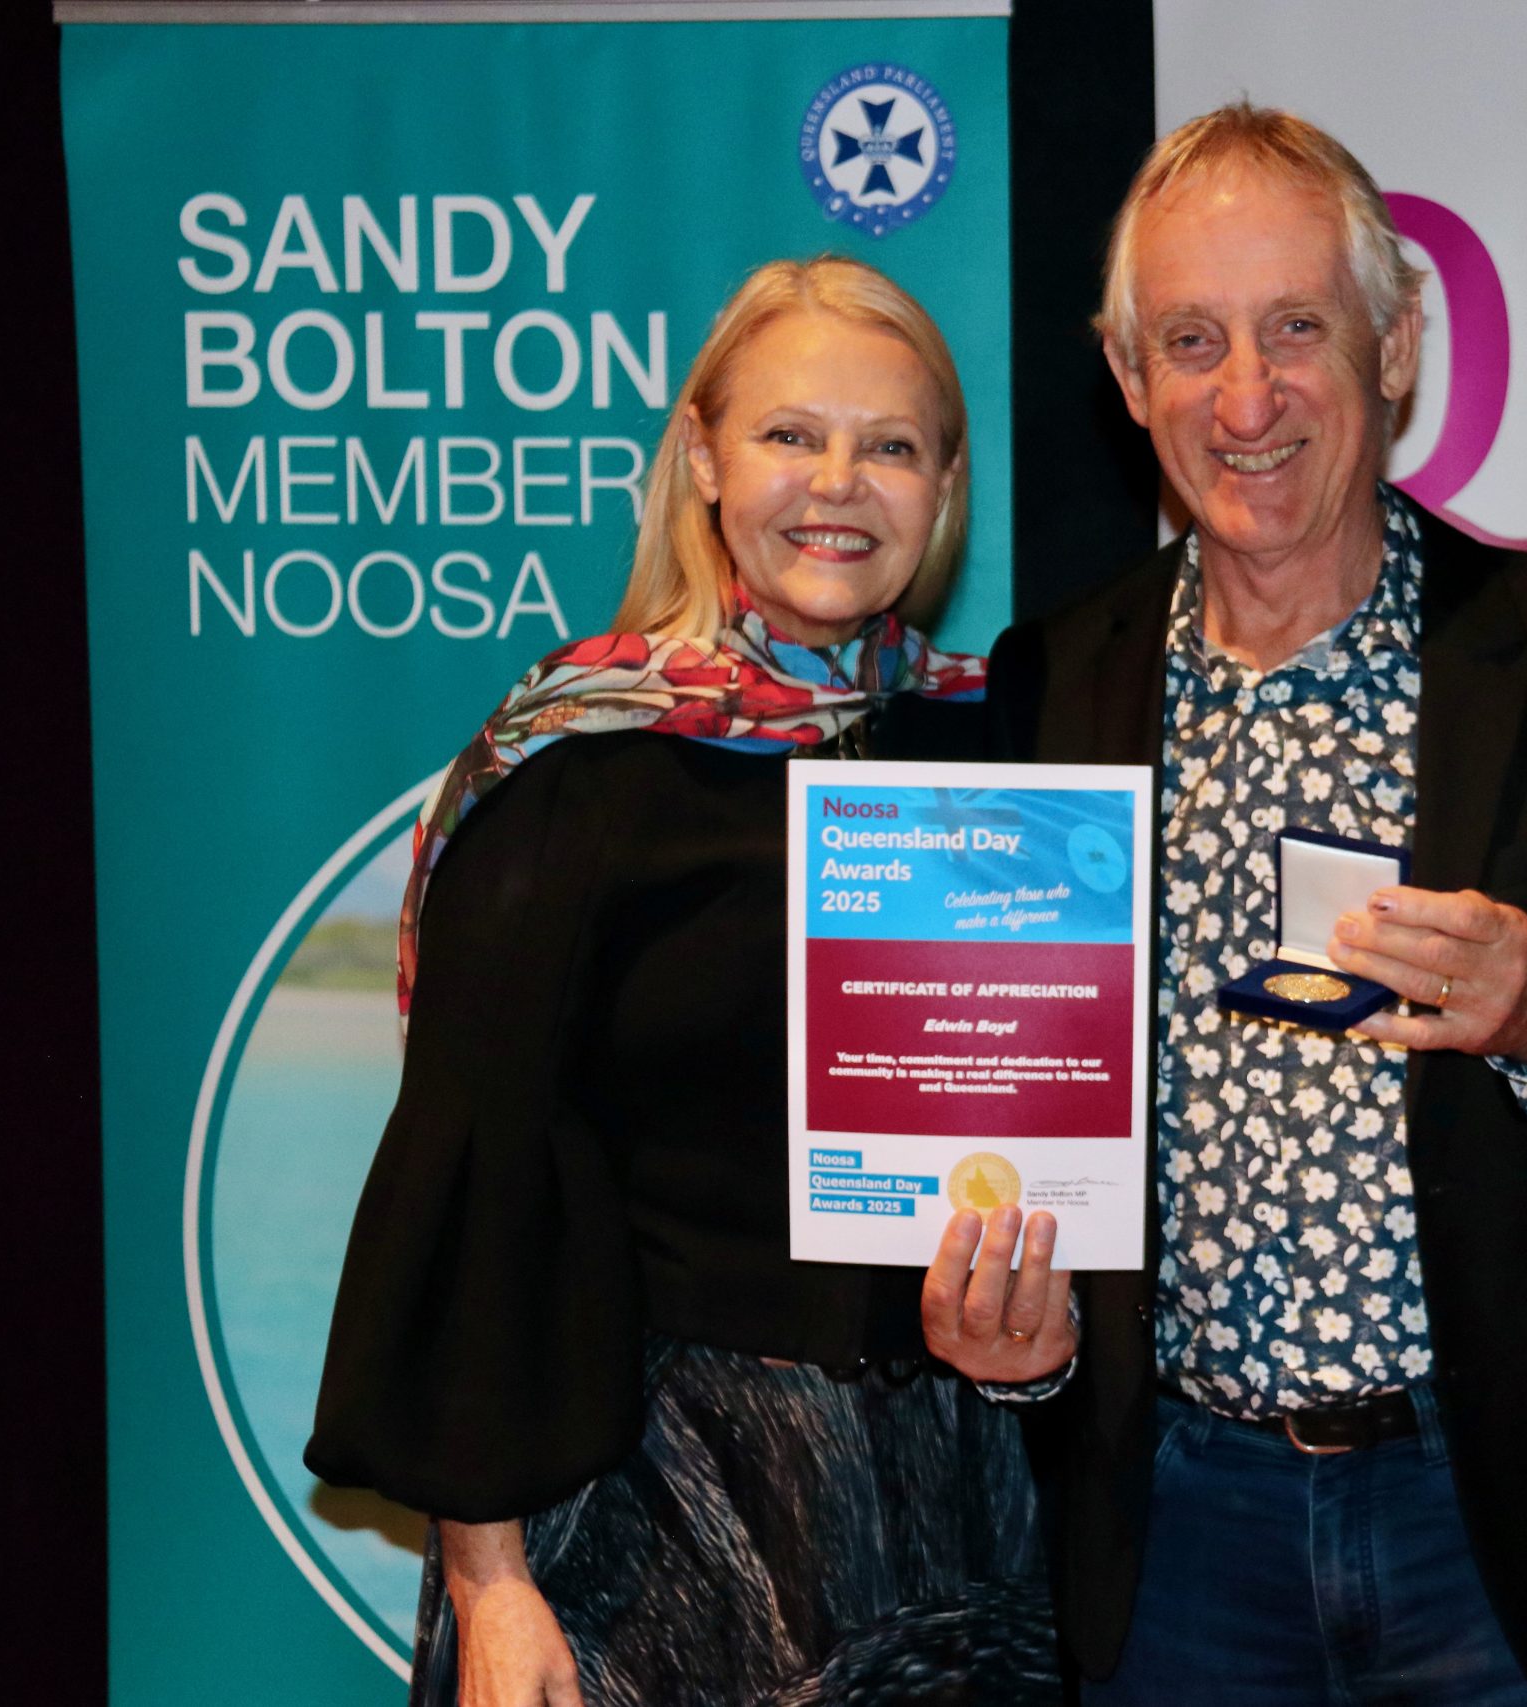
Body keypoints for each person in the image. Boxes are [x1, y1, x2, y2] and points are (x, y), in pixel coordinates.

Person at [924, 105, 1527, 1707]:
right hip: (1177, 1538)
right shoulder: (1055, 680)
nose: (1247, 397)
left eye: (1297, 329)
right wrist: (1019, 1336)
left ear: (1395, 344)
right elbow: (1011, 1082)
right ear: (1128, 378)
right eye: (1192, 342)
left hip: (1497, 1534)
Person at [308, 256, 1061, 1707]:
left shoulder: (1009, 751)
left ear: (946, 483)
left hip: (965, 1508)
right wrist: (491, 1584)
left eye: (891, 445)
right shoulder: (576, 771)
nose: (838, 483)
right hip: (654, 1517)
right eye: (791, 434)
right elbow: (482, 1177)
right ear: (706, 458)